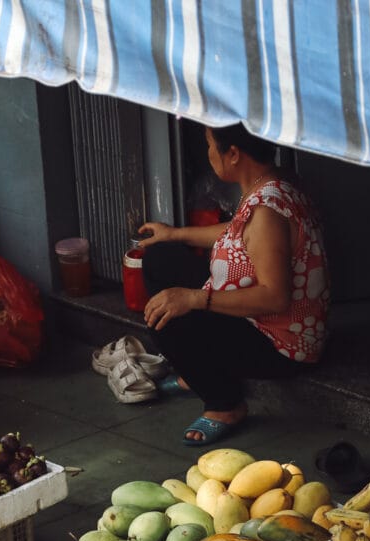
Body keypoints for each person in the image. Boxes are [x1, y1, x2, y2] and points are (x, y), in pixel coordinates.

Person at [139, 123, 330, 446]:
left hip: (278, 345)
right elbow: (238, 233)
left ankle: (224, 404)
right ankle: (196, 372)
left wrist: (196, 299)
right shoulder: (273, 182)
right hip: (252, 318)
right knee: (161, 256)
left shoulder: (266, 211)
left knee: (167, 320)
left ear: (233, 154)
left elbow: (274, 297)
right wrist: (174, 234)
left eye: (211, 145)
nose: (208, 154)